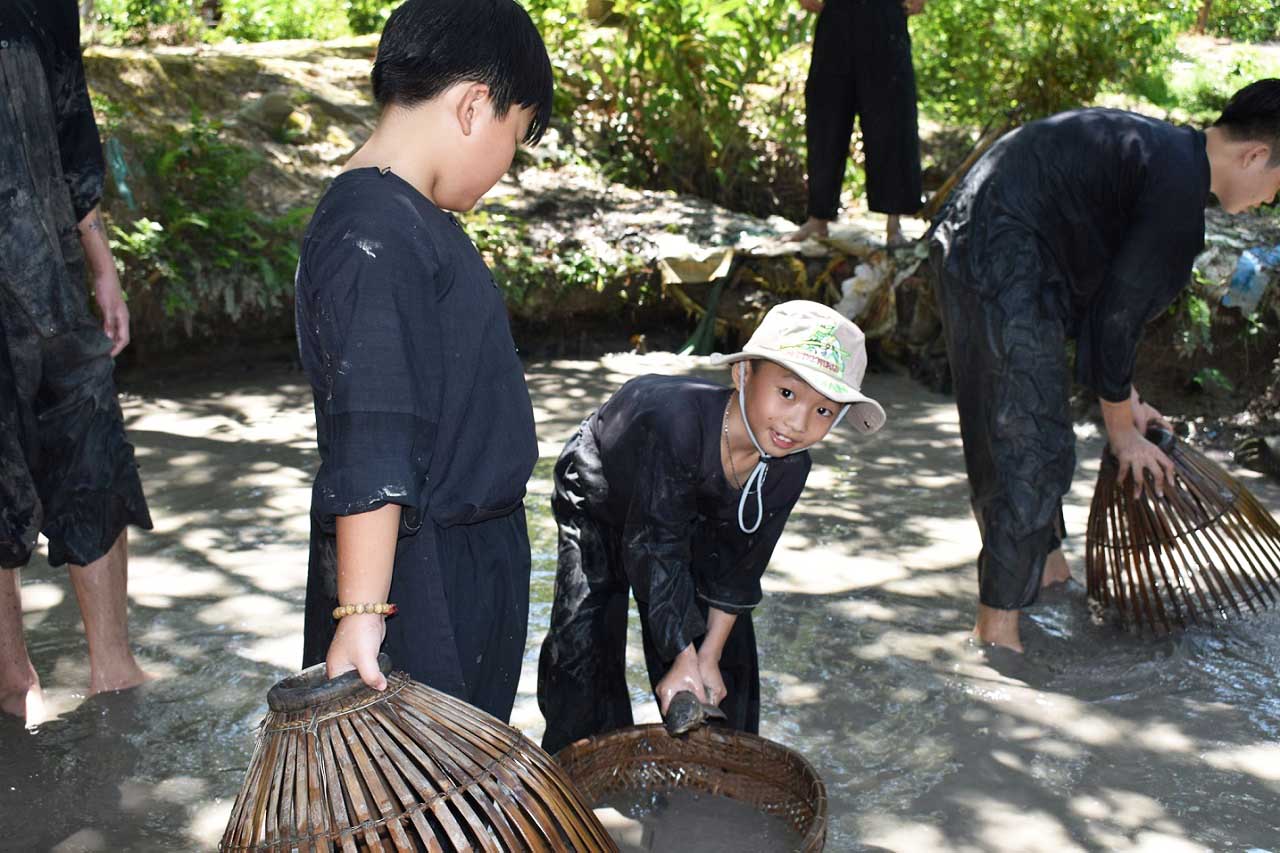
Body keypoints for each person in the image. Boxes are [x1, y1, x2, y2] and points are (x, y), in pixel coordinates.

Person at [928, 80, 1280, 652]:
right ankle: (997, 640)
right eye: (1277, 189)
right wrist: (1121, 433)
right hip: (998, 251)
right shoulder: (1176, 203)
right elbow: (1116, 319)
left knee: (1031, 433)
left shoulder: (1166, 157)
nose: (1268, 201)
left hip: (988, 239)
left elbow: (1110, 306)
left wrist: (1129, 399)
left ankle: (1046, 575)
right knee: (1029, 445)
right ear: (1255, 155)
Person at [295, 0, 553, 723]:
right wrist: (363, 613)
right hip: (421, 581)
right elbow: (373, 432)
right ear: (474, 106)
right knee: (428, 803)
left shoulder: (409, 219)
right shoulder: (373, 230)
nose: (508, 165)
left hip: (456, 558)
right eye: (517, 136)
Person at [537, 301, 886, 754]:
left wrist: (705, 659)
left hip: (695, 507)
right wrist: (680, 656)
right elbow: (655, 548)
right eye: (787, 394)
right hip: (603, 491)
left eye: (824, 412)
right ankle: (583, 779)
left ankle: (713, 785)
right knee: (582, 649)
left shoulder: (788, 465)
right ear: (743, 374)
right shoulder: (677, 425)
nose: (798, 423)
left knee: (721, 673)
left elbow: (741, 571)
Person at [0, 0, 154, 724]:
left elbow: (69, 107)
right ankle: (10, 680)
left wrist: (100, 260)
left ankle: (113, 670)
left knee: (87, 428)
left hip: (44, 240)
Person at [787, 0, 926, 247]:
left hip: (885, 16)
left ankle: (893, 224)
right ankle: (818, 216)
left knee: (891, 120)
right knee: (826, 117)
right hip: (837, 17)